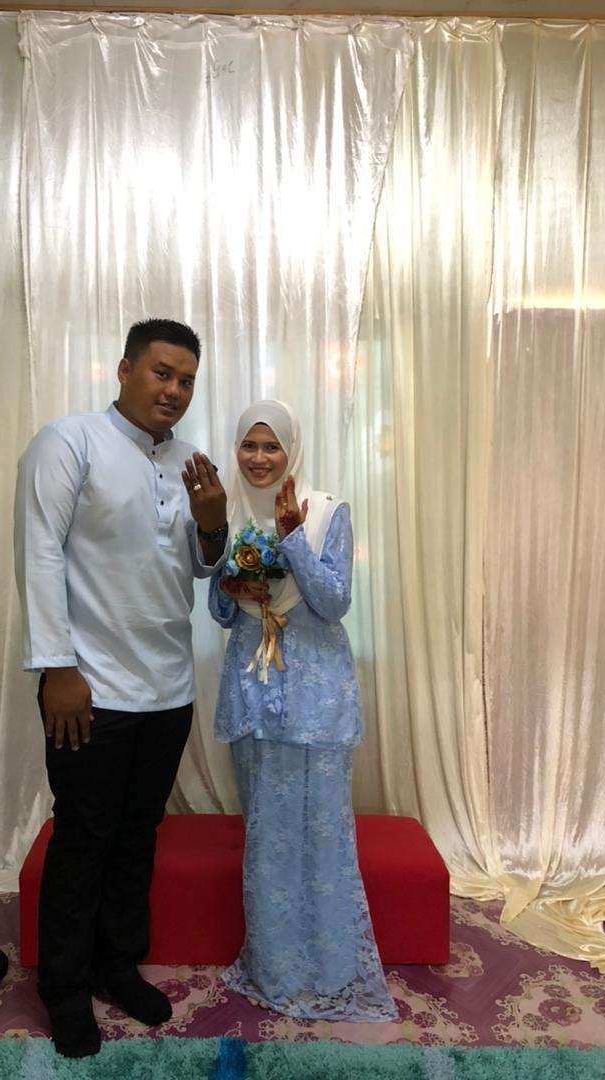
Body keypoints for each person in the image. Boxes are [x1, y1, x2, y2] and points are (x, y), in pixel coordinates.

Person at [14, 318, 228, 1058]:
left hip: (167, 688)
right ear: (125, 369)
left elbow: (199, 567)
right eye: (161, 372)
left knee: (138, 837)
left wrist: (213, 523)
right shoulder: (68, 441)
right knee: (83, 839)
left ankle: (116, 965)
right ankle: (66, 989)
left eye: (186, 380)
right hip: (90, 688)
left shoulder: (187, 463)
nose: (174, 389)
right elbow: (39, 552)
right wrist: (56, 668)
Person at [209, 400, 397, 1022]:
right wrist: (233, 587)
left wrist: (292, 538)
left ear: (293, 450)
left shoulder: (328, 512)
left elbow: (334, 602)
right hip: (253, 690)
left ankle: (333, 965)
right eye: (249, 445)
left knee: (321, 832)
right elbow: (220, 612)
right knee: (267, 832)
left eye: (272, 446)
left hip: (316, 696)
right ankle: (276, 966)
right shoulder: (230, 515)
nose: (259, 458)